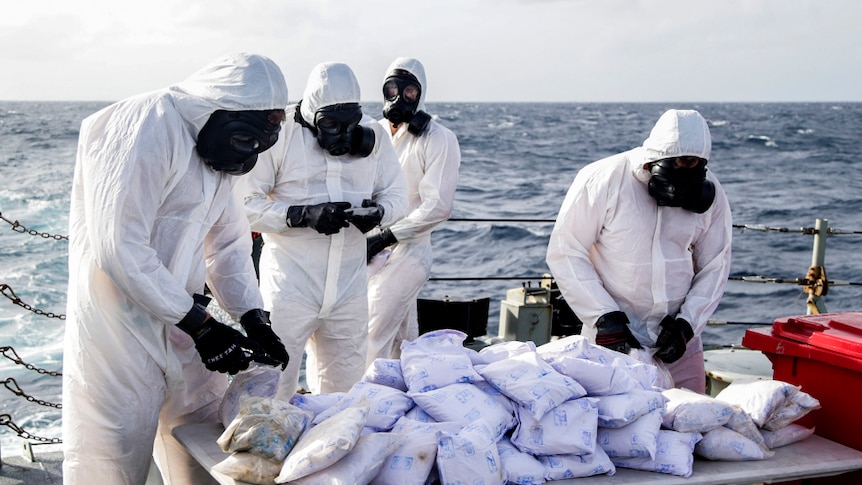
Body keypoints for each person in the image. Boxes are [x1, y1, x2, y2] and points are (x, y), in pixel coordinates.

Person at [62, 53, 290, 485]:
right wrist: (202, 326)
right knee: (111, 457)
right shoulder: (146, 123)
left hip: (182, 317)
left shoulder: (224, 158)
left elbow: (228, 246)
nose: (251, 153)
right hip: (118, 327)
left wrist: (253, 318)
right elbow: (120, 245)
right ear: (219, 114)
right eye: (245, 139)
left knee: (197, 435)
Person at [239, 61, 407, 400]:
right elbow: (242, 205)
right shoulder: (281, 135)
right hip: (289, 290)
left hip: (349, 290)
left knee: (342, 396)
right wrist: (300, 215)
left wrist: (378, 212)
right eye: (330, 123)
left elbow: (398, 196)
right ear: (312, 114)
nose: (341, 133)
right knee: (271, 389)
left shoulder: (373, 139)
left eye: (349, 122)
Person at [545, 109, 732, 393]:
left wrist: (687, 324)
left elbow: (715, 264)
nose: (685, 167)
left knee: (686, 427)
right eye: (679, 161)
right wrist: (604, 317)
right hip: (612, 340)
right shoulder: (603, 179)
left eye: (693, 162)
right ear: (654, 159)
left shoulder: (712, 193)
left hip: (678, 345)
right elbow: (566, 250)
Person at [365, 57, 461, 366]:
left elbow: (438, 207)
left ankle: (360, 404)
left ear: (420, 94)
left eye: (409, 91)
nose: (399, 96)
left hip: (410, 252)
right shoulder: (373, 132)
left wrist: (386, 236)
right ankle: (404, 397)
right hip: (369, 250)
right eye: (393, 88)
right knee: (402, 340)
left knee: (371, 330)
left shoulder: (438, 139)